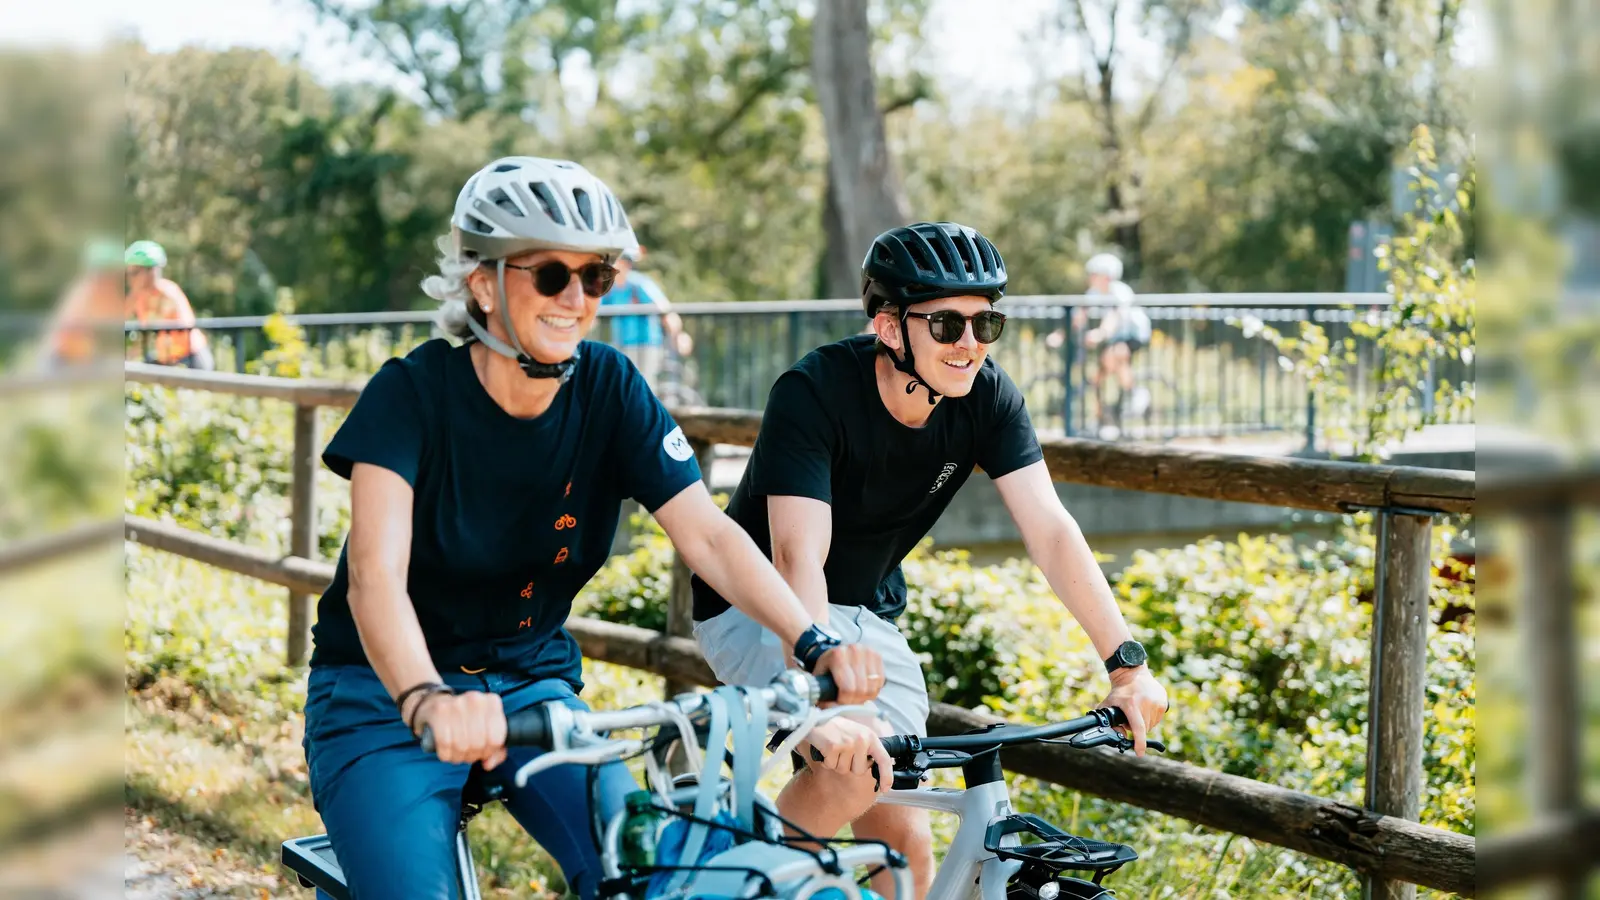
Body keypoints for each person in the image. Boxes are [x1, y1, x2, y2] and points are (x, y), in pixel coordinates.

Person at [300, 155, 888, 900]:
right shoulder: (410, 395)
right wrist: (425, 698)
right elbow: (373, 577)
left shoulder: (609, 388)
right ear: (483, 282)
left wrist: (814, 640)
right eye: (550, 275)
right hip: (383, 697)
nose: (575, 298)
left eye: (596, 277)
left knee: (651, 874)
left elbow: (707, 536)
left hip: (534, 685)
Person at [690, 222, 1170, 900]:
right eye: (946, 324)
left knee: (906, 832)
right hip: (759, 604)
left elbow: (1051, 531)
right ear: (889, 327)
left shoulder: (988, 398)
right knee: (852, 770)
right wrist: (822, 692)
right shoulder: (814, 391)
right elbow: (799, 552)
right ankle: (713, 888)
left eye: (985, 323)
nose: (970, 343)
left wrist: (1127, 664)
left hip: (865, 613)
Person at [599, 245, 693, 391]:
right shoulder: (611, 289)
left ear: (625, 264)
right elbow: (594, 314)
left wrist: (678, 335)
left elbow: (665, 311)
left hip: (646, 346)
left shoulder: (640, 284)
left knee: (643, 386)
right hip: (622, 345)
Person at [1077, 253, 1149, 437]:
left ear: (1106, 276)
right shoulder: (1092, 293)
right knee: (1096, 379)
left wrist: (1100, 333)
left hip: (1132, 334)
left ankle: (1135, 392)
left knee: (1115, 354)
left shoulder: (1119, 291)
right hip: (1111, 338)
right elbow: (1078, 316)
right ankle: (1101, 419)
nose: (1090, 278)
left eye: (1094, 274)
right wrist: (1061, 334)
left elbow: (1114, 316)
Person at [123, 240, 214, 370]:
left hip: (190, 359)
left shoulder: (167, 292)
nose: (129, 278)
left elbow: (154, 326)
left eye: (134, 272)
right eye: (128, 273)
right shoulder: (140, 296)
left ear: (151, 271)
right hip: (170, 360)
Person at [42, 238, 125, 368]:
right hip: (66, 361)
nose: (114, 278)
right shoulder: (86, 292)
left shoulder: (104, 292)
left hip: (86, 359)